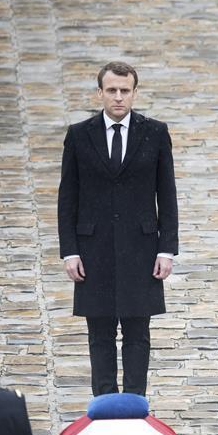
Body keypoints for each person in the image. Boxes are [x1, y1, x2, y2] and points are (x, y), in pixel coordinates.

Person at [57, 60, 179, 396]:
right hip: (93, 250)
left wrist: (166, 249)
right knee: (99, 335)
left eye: (125, 91)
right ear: (100, 92)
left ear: (134, 93)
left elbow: (166, 194)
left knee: (138, 334)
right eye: (111, 90)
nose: (118, 97)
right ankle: (105, 406)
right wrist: (70, 251)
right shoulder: (79, 136)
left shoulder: (154, 132)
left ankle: (136, 405)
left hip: (141, 250)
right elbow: (68, 197)